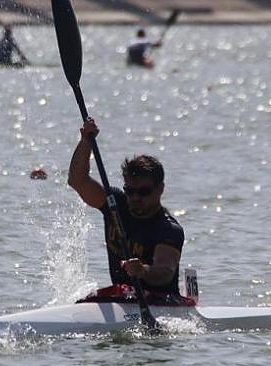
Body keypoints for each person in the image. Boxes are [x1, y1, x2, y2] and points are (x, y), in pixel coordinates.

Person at [67, 117, 185, 301]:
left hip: (161, 301)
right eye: (130, 191)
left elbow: (165, 271)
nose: (135, 197)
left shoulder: (168, 228)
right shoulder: (115, 204)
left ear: (160, 189)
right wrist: (85, 143)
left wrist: (143, 271)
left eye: (144, 191)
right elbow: (77, 180)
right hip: (122, 297)